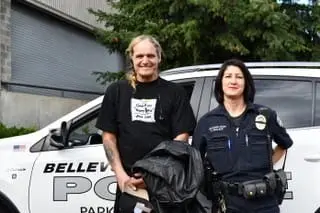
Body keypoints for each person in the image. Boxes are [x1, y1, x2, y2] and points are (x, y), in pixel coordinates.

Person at [96, 35, 196, 212]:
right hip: (129, 185)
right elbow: (109, 136)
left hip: (165, 186)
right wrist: (120, 176)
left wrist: (154, 176)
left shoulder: (175, 93)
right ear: (132, 59)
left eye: (150, 56)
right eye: (139, 56)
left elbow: (181, 139)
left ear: (159, 58)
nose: (145, 61)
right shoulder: (116, 91)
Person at [192, 59, 293, 213]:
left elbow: (284, 144)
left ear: (246, 83)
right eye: (228, 76)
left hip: (265, 202)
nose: (233, 81)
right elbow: (195, 161)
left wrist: (268, 163)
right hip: (227, 204)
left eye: (239, 77)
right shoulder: (207, 122)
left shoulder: (265, 115)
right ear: (220, 83)